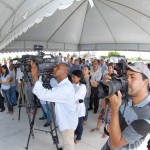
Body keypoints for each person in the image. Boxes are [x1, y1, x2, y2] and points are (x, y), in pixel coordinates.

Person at [102, 62, 150, 150]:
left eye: (132, 76)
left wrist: (115, 108)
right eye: (127, 76)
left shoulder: (146, 116)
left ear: (145, 83)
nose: (128, 80)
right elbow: (106, 111)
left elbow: (115, 144)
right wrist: (111, 88)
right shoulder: (127, 95)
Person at [31, 62, 78, 150]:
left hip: (68, 123)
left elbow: (44, 95)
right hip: (65, 120)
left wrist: (35, 76)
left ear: (64, 71)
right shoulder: (61, 84)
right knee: (66, 140)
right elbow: (48, 91)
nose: (54, 69)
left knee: (69, 144)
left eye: (58, 68)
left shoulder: (65, 88)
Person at [72, 70, 86, 144]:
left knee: (79, 124)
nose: (72, 78)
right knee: (74, 123)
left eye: (74, 77)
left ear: (79, 78)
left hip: (78, 108)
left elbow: (74, 97)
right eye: (72, 77)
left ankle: (78, 137)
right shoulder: (73, 84)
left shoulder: (82, 86)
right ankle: (74, 133)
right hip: (73, 107)